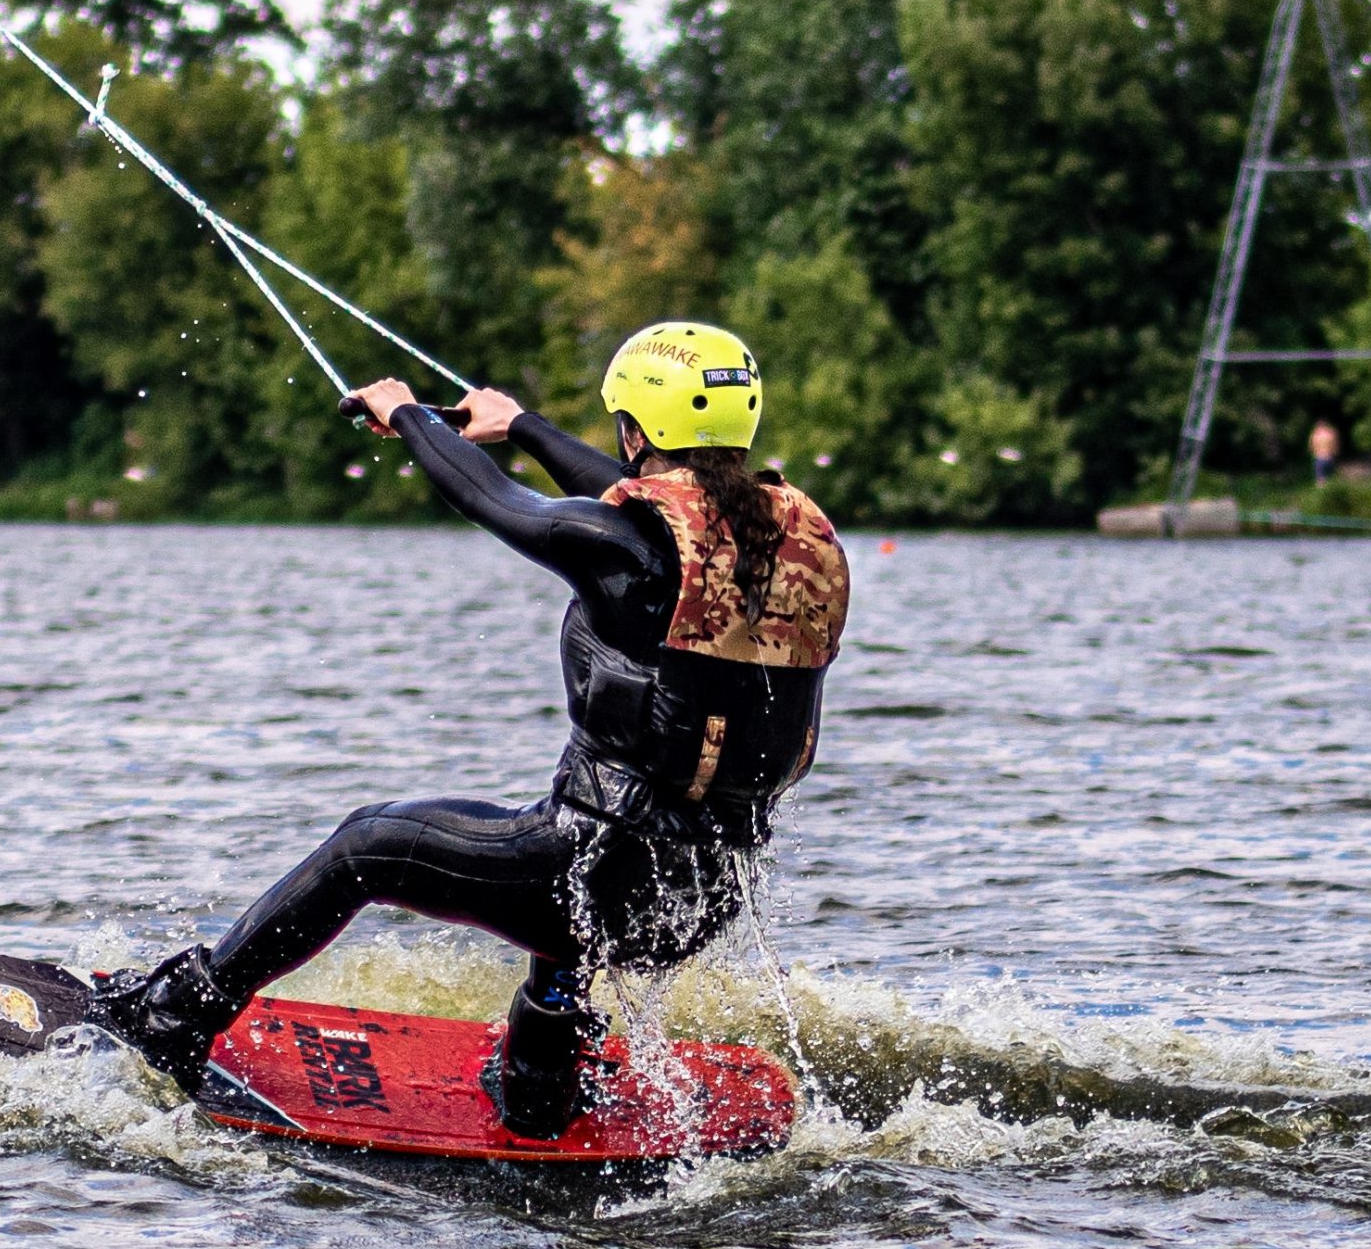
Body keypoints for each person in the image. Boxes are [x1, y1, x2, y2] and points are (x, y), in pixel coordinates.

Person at [89, 323, 851, 1136]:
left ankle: (180, 1013)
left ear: (634, 429)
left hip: (596, 878)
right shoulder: (789, 537)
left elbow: (501, 503)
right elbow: (639, 511)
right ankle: (539, 1077)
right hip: (706, 894)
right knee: (579, 881)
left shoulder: (624, 551)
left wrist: (407, 413)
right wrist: (518, 425)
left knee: (371, 845)